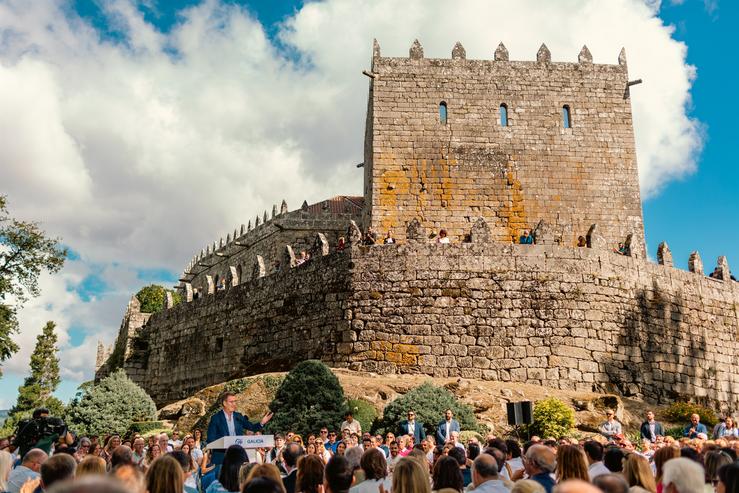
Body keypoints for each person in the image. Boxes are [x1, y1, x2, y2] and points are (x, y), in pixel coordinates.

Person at [206, 392, 273, 470]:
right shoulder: (216, 418)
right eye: (231, 402)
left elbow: (251, 427)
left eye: (235, 401)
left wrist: (262, 422)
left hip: (238, 456)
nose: (234, 404)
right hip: (222, 457)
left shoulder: (239, 416)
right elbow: (210, 439)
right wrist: (225, 443)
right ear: (224, 403)